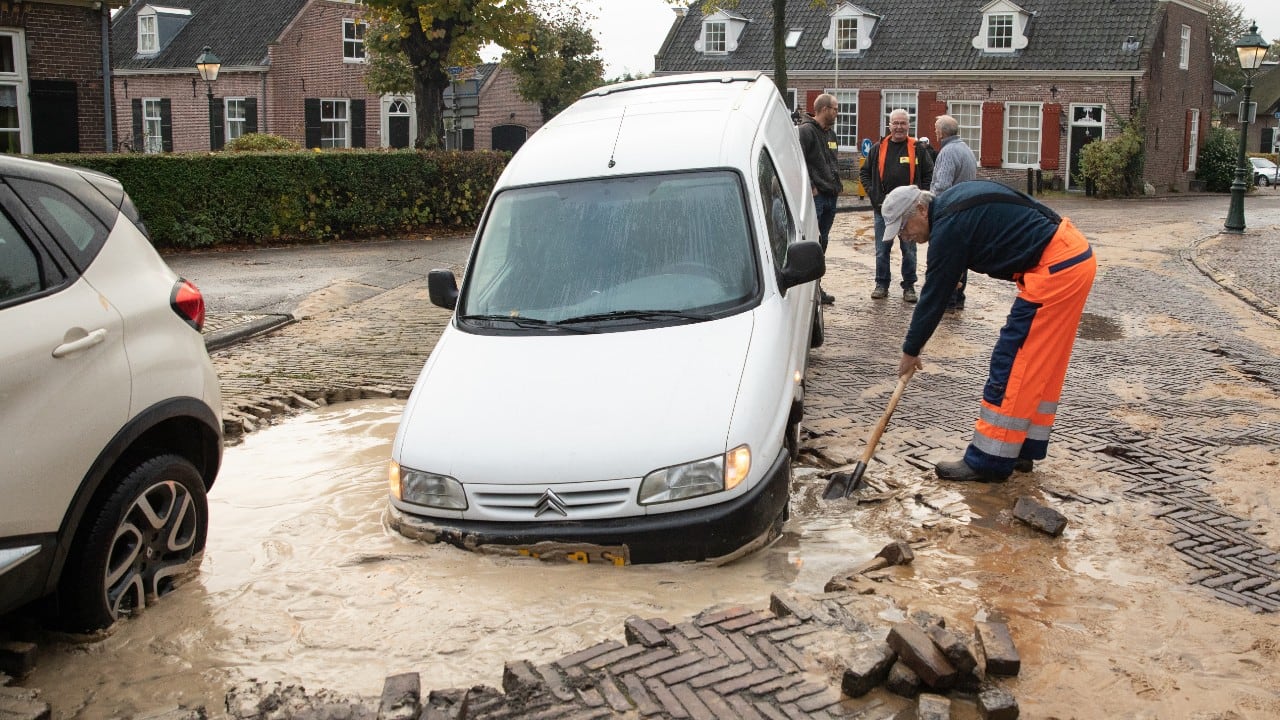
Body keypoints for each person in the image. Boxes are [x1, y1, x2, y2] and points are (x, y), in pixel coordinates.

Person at [882, 181, 1097, 482]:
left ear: (920, 208)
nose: (906, 237)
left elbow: (933, 296)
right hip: (1073, 256)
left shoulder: (948, 228)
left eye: (904, 228)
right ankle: (1022, 450)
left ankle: (988, 461)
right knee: (1038, 365)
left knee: (1011, 364)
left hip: (1054, 270)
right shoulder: (952, 206)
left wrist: (910, 350)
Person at [860, 109, 932, 303]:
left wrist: (920, 198)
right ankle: (881, 284)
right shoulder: (878, 148)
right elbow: (865, 173)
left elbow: (929, 175)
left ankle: (909, 286)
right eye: (895, 123)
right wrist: (875, 195)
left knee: (909, 249)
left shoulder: (918, 149)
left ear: (909, 125)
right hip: (882, 210)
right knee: (882, 248)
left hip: (909, 212)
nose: (899, 127)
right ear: (889, 125)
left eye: (903, 123)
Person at [930, 115, 978, 311]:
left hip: (950, 213)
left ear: (941, 132)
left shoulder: (948, 152)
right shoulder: (966, 149)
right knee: (960, 256)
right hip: (966, 211)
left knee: (946, 256)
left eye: (935, 129)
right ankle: (958, 297)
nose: (934, 132)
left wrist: (930, 206)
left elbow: (942, 186)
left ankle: (948, 300)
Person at [798, 93, 841, 305]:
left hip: (831, 195)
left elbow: (831, 161)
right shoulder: (806, 132)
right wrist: (811, 186)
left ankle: (817, 287)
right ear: (824, 109)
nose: (837, 112)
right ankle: (808, 290)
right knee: (813, 243)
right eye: (834, 108)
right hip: (817, 197)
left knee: (823, 241)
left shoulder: (831, 134)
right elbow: (799, 160)